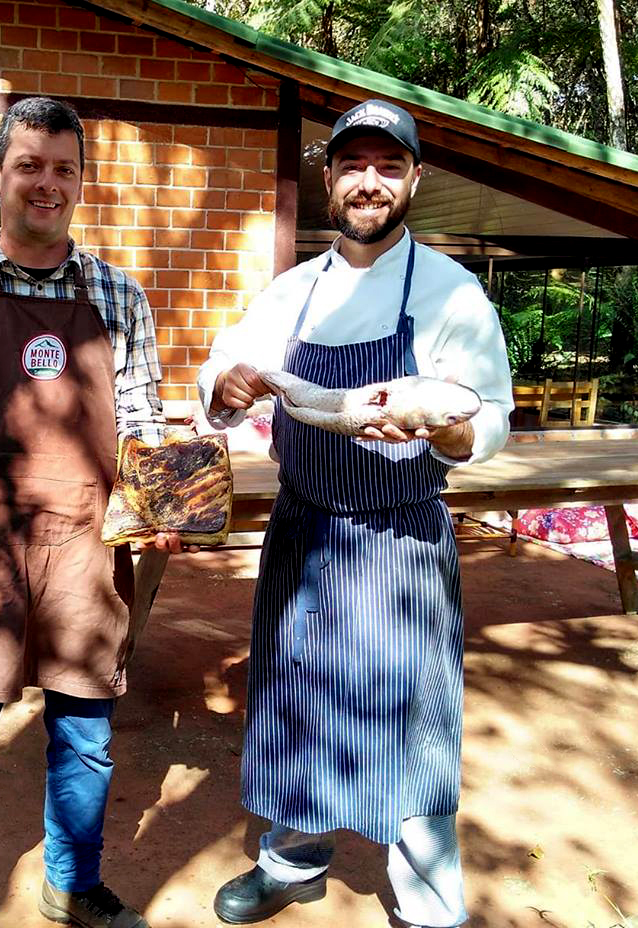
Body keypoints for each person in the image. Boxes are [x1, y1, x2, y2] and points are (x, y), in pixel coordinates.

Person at [197, 100, 514, 928]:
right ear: (330, 178)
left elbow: (492, 417)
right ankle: (291, 862)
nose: (369, 181)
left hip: (401, 540)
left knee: (415, 725)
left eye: (388, 165)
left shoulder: (452, 293)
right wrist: (227, 384)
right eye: (353, 165)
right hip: (305, 533)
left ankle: (431, 905)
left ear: (415, 179)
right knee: (298, 704)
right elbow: (222, 371)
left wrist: (447, 427)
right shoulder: (293, 293)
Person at [0, 97, 183, 928]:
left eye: (63, 169)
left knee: (85, 742)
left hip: (84, 550)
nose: (46, 184)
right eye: (29, 166)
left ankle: (71, 883)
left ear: (81, 182)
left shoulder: (118, 294)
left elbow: (143, 424)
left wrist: (162, 503)